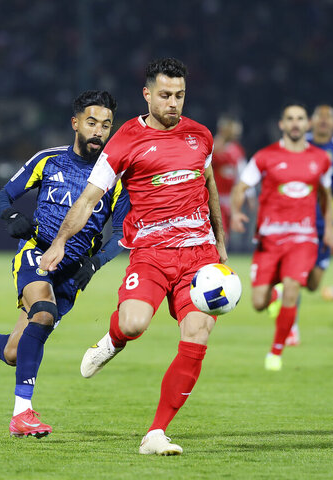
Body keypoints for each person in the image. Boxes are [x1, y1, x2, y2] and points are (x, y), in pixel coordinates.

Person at [39, 58, 227, 456]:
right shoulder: (125, 139)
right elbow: (90, 199)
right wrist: (58, 243)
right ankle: (112, 338)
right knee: (135, 323)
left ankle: (156, 432)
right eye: (164, 95)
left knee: (197, 334)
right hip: (152, 254)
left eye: (179, 95)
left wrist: (221, 248)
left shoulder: (201, 136)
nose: (173, 103)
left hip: (199, 256)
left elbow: (209, 187)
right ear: (147, 94)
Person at [0, 90, 130, 438]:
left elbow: (124, 232)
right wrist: (12, 216)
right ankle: (22, 415)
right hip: (37, 252)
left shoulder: (116, 177)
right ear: (75, 123)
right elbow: (1, 196)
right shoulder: (48, 160)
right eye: (92, 122)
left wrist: (94, 265)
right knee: (44, 312)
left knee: (15, 352)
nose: (98, 131)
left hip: (74, 270)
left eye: (106, 125)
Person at [230, 103, 333, 372]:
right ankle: (275, 295)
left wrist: (329, 228)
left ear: (307, 125)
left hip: (303, 236)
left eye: (300, 119)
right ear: (281, 125)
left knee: (293, 287)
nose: (294, 123)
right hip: (269, 239)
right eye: (289, 119)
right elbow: (242, 186)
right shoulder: (265, 157)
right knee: (258, 303)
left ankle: (275, 352)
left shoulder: (321, 159)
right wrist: (235, 212)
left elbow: (326, 196)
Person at [279, 104, 333, 345]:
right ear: (311, 123)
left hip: (328, 220)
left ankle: (285, 292)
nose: (324, 122)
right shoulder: (295, 143)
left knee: (314, 282)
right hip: (297, 219)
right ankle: (290, 326)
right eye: (320, 118)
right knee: (295, 272)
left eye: (329, 118)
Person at [211, 115, 247, 239]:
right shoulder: (214, 147)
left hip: (230, 198)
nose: (237, 133)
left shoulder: (237, 150)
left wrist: (248, 194)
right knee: (220, 232)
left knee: (226, 233)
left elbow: (242, 173)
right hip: (215, 197)